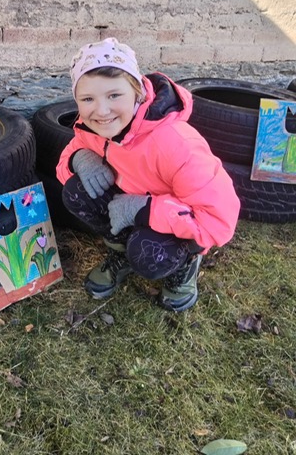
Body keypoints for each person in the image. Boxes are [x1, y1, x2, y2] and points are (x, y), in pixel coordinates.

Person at [56, 38, 240, 312]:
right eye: (87, 99)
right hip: (131, 208)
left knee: (147, 251)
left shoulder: (177, 144)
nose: (102, 111)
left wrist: (145, 209)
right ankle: (120, 253)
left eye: (114, 95)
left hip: (177, 222)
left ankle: (185, 267)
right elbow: (63, 168)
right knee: (75, 191)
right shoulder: (91, 128)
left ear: (138, 92)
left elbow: (218, 222)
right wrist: (79, 158)